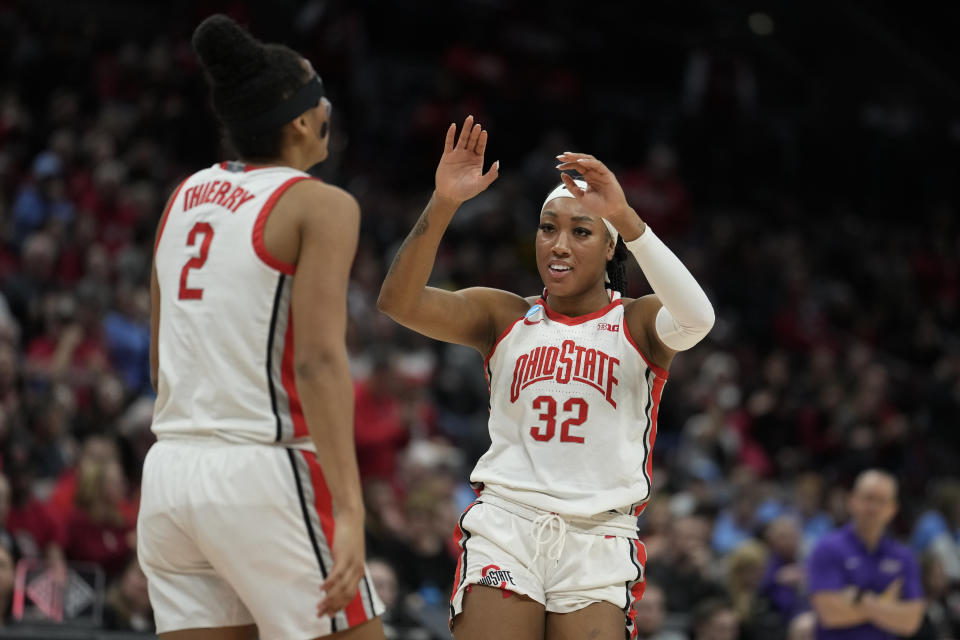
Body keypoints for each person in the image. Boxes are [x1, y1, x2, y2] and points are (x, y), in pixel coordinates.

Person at [378, 116, 715, 639]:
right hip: (507, 525)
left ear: (610, 248)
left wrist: (626, 217)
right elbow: (398, 302)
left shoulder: (638, 322)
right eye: (548, 227)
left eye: (581, 231)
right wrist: (444, 201)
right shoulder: (503, 314)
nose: (559, 244)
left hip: (599, 536)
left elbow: (699, 318)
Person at [137, 14, 383, 640]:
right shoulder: (321, 204)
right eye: (318, 93)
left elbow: (159, 357)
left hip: (169, 476)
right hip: (261, 471)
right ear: (301, 120)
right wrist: (351, 510)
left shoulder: (184, 194)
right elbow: (319, 362)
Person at [807, 470, 924, 639]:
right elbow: (830, 614)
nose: (874, 508)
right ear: (852, 500)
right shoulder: (827, 548)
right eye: (868, 498)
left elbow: (911, 622)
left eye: (882, 501)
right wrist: (886, 604)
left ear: (893, 509)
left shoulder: (904, 556)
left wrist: (858, 599)